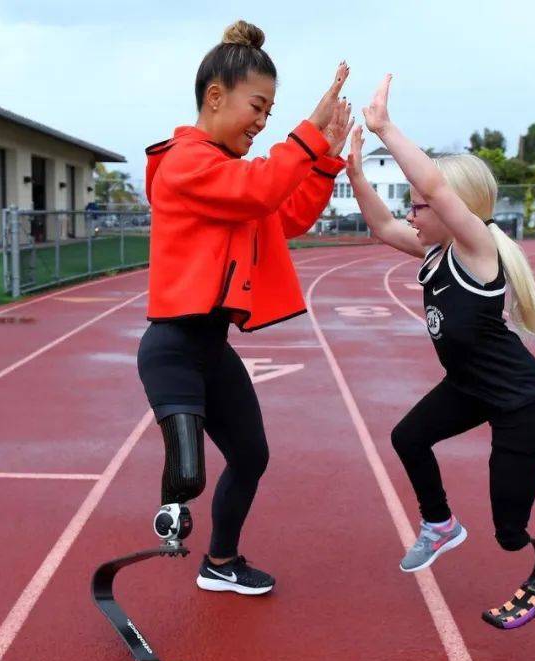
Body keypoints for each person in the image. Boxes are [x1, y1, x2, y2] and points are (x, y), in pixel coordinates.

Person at [137, 20, 352, 595]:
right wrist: (310, 133)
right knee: (187, 473)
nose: (262, 122)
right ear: (215, 97)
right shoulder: (187, 163)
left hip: (212, 350)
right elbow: (261, 187)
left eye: (270, 113)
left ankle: (221, 562)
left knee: (251, 456)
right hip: (172, 351)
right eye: (257, 107)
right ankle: (171, 518)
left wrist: (326, 160)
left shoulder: (230, 179)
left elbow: (284, 214)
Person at [349, 74, 535, 628]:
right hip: (468, 387)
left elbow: (437, 188)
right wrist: (354, 170)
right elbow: (377, 224)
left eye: (420, 204)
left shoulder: (476, 249)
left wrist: (387, 129)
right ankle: (439, 524)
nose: (412, 211)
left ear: (454, 209)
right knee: (407, 437)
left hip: (516, 401)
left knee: (510, 533)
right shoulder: (433, 250)